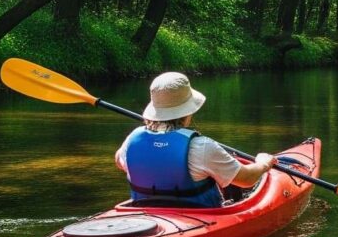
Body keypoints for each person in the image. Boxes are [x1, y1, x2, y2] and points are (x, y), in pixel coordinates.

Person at [115, 72, 277, 207]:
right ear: (187, 112)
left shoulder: (132, 139)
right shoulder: (203, 146)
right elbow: (247, 179)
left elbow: (119, 160)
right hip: (199, 217)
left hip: (145, 216)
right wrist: (263, 163)